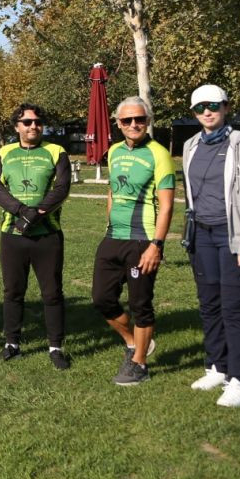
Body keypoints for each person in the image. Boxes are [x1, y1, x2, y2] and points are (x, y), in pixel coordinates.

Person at [182, 85, 240, 408]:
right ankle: (217, 366)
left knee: (235, 309)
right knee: (210, 304)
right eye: (200, 107)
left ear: (226, 107)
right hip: (201, 236)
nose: (207, 111)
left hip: (233, 236)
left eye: (213, 105)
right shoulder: (191, 146)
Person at [93, 96, 175, 386]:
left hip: (143, 241)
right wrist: (110, 220)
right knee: (102, 299)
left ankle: (139, 363)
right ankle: (134, 343)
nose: (134, 124)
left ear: (148, 121)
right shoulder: (113, 151)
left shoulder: (159, 153)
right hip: (113, 237)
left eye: (139, 119)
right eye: (127, 120)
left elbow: (166, 205)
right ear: (118, 123)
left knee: (141, 304)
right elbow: (113, 192)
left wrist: (157, 245)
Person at [0, 103, 73, 369]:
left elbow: (61, 188)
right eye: (27, 122)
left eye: (37, 122)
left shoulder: (56, 151)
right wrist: (21, 212)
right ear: (17, 126)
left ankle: (56, 347)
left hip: (47, 234)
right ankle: (11, 344)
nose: (33, 126)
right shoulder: (5, 152)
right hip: (12, 234)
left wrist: (35, 215)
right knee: (13, 291)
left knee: (52, 293)